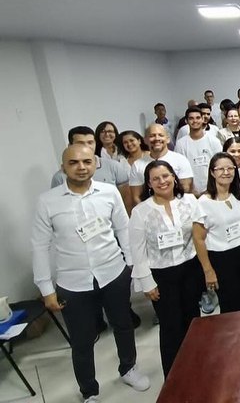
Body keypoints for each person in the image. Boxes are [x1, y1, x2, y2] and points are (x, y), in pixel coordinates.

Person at [32, 145, 150, 402]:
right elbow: (39, 246)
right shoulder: (48, 201)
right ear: (63, 167)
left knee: (123, 325)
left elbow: (123, 228)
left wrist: (131, 266)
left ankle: (128, 368)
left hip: (113, 272)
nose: (81, 167)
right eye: (74, 162)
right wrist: (46, 289)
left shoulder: (108, 192)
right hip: (73, 283)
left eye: (87, 161)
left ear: (95, 164)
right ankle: (89, 391)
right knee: (82, 341)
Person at [129, 161, 203, 377]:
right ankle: (174, 376)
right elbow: (138, 250)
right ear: (149, 184)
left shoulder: (189, 201)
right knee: (171, 327)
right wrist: (146, 282)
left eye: (166, 176)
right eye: (156, 178)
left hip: (190, 269)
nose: (162, 181)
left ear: (174, 177)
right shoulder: (141, 211)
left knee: (193, 320)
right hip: (161, 274)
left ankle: (197, 366)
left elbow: (199, 234)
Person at [192, 153, 240, 313]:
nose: (226, 172)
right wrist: (208, 271)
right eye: (220, 169)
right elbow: (198, 239)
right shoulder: (203, 203)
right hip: (222, 258)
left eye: (230, 168)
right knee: (231, 304)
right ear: (212, 172)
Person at [129, 124, 194, 205]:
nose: (157, 138)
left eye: (161, 135)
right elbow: (136, 197)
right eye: (152, 135)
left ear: (168, 139)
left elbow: (186, 190)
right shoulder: (137, 165)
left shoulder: (180, 160)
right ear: (145, 140)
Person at [175, 107, 223, 196]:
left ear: (202, 119)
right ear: (186, 121)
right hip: (190, 192)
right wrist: (190, 190)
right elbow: (179, 169)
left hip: (212, 190)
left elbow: (220, 166)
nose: (195, 121)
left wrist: (211, 189)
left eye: (198, 118)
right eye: (191, 118)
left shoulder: (213, 141)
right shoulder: (180, 144)